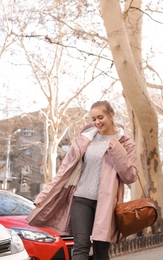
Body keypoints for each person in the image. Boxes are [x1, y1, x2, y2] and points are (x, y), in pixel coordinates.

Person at [26, 101, 139, 260]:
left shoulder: (125, 144)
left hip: (106, 204)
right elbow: (63, 171)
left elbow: (131, 176)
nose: (97, 122)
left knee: (101, 252)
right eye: (93, 119)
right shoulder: (85, 139)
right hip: (81, 199)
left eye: (100, 117)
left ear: (111, 115)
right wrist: (44, 196)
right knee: (80, 248)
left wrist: (118, 151)